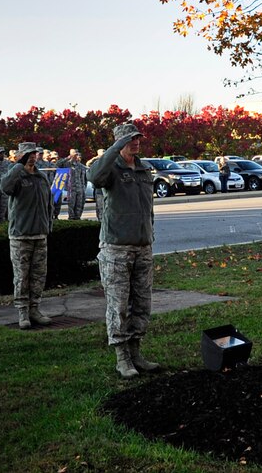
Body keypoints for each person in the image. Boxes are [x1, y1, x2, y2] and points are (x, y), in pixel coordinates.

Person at [88, 123, 158, 379]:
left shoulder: (143, 168)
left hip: (142, 246)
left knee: (142, 303)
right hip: (116, 247)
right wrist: (114, 149)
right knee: (118, 305)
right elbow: (94, 178)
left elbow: (148, 207)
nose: (136, 142)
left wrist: (150, 234)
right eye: (130, 139)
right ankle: (122, 357)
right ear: (119, 142)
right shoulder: (110, 168)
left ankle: (136, 352)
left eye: (138, 137)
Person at [0, 141, 54, 330]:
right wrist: (18, 166)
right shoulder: (15, 175)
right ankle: (22, 311)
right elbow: (4, 187)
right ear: (20, 156)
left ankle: (34, 309)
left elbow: (48, 204)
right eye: (27, 153)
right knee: (22, 276)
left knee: (39, 276)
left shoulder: (41, 176)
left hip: (40, 234)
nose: (32, 156)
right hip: (21, 235)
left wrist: (48, 226)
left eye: (34, 153)